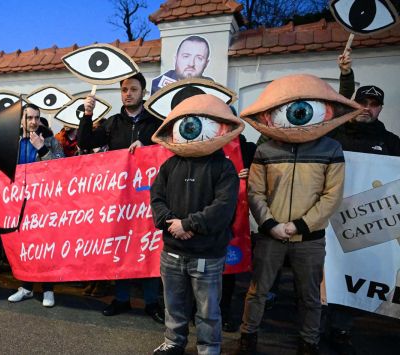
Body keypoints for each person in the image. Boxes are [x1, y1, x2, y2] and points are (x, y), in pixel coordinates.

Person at [235, 74, 353, 355]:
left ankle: (308, 342)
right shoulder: (265, 149)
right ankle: (247, 337)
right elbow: (255, 192)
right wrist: (271, 224)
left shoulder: (331, 149)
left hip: (310, 239)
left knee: (310, 296)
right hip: (270, 236)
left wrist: (298, 226)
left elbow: (331, 196)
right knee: (257, 291)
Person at [150, 94, 241, 355]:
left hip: (208, 254)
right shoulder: (169, 165)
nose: (192, 129)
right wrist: (171, 225)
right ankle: (174, 342)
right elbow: (156, 198)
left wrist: (188, 224)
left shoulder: (224, 168)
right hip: (172, 251)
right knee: (174, 305)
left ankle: (209, 348)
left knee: (208, 310)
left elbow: (223, 209)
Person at [322, 51, 400, 355]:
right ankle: (317, 323)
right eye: (362, 102)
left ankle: (342, 327)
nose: (367, 109)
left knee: (353, 271)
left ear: (379, 108)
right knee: (326, 271)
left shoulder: (393, 142)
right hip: (329, 216)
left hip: (366, 220)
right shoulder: (337, 134)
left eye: (373, 104)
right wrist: (345, 74)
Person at [77, 72, 164, 324]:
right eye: (124, 89)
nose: (128, 93)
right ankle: (122, 297)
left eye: (133, 89)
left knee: (148, 246)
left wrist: (146, 151)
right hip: (120, 199)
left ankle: (151, 302)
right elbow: (85, 143)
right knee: (122, 246)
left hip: (149, 198)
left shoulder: (156, 123)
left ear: (143, 93)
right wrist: (87, 115)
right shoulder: (112, 123)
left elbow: (167, 150)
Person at [6, 103, 64, 307]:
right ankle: (27, 287)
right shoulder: (13, 141)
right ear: (21, 120)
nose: (33, 121)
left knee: (45, 245)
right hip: (19, 203)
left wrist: (43, 148)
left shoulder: (50, 140)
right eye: (29, 117)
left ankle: (48, 289)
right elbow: (5, 167)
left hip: (45, 202)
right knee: (25, 245)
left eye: (36, 117)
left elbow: (61, 167)